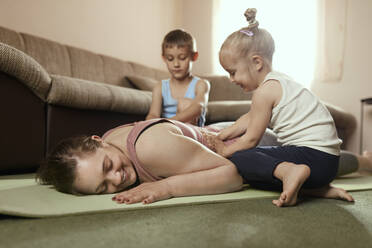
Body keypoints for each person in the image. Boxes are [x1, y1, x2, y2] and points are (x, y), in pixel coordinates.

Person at [36, 118, 355, 206]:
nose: (117, 180)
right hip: (223, 144)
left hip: (252, 145)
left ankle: (365, 160)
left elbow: (230, 175)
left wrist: (165, 188)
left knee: (335, 161)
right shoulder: (107, 144)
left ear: (98, 140)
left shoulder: (150, 148)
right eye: (101, 188)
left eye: (108, 167)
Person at [214, 8, 353, 207]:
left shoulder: (263, 93)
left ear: (256, 62)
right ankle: (317, 189)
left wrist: (225, 151)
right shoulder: (281, 82)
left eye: (233, 72)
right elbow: (250, 118)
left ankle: (291, 172)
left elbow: (251, 139)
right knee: (264, 160)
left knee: (241, 159)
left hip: (311, 158)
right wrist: (222, 135)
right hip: (328, 164)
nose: (231, 79)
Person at [146, 29, 210, 127]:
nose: (176, 64)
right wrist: (148, 125)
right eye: (170, 59)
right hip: (166, 129)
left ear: (194, 56)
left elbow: (199, 107)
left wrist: (169, 122)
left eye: (182, 58)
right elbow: (153, 114)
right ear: (164, 58)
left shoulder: (201, 84)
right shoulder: (160, 86)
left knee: (185, 104)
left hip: (191, 130)